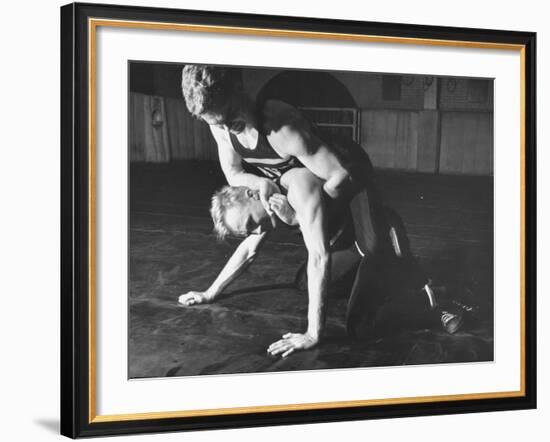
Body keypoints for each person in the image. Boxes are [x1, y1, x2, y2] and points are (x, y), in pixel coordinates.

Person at [178, 167, 463, 358]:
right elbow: (248, 251)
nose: (256, 231)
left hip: (372, 237)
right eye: (248, 230)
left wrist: (313, 333)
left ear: (253, 194)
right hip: (348, 243)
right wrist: (209, 292)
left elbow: (319, 255)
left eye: (251, 222)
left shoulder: (296, 188)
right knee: (304, 282)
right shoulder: (266, 204)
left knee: (361, 328)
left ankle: (434, 301)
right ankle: (385, 280)